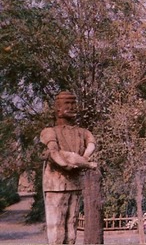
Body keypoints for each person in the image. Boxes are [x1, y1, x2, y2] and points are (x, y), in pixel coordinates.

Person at [40, 91, 97, 245]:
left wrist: (83, 159)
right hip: (56, 185)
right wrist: (67, 164)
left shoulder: (81, 132)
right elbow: (54, 152)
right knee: (56, 228)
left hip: (75, 184)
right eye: (67, 104)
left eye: (73, 103)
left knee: (72, 226)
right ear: (57, 108)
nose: (72, 107)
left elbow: (91, 143)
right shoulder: (50, 131)